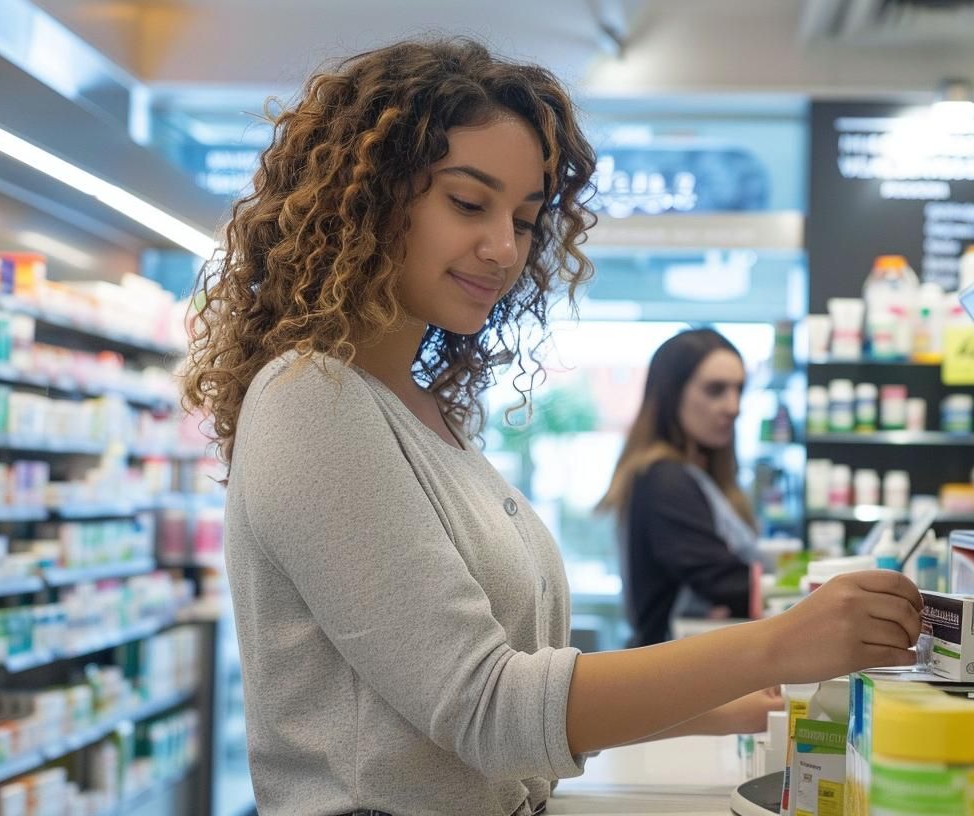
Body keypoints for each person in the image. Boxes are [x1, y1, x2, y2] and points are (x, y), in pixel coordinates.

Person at [182, 37, 923, 816]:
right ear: (367, 198)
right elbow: (489, 708)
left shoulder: (421, 412)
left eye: (527, 220)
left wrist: (731, 702)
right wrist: (780, 642)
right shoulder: (311, 399)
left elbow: (507, 685)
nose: (503, 248)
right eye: (468, 203)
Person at [599, 328, 761, 647]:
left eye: (739, 389)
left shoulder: (693, 475)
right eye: (715, 390)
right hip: (668, 674)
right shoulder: (665, 480)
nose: (734, 406)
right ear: (671, 394)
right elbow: (722, 581)